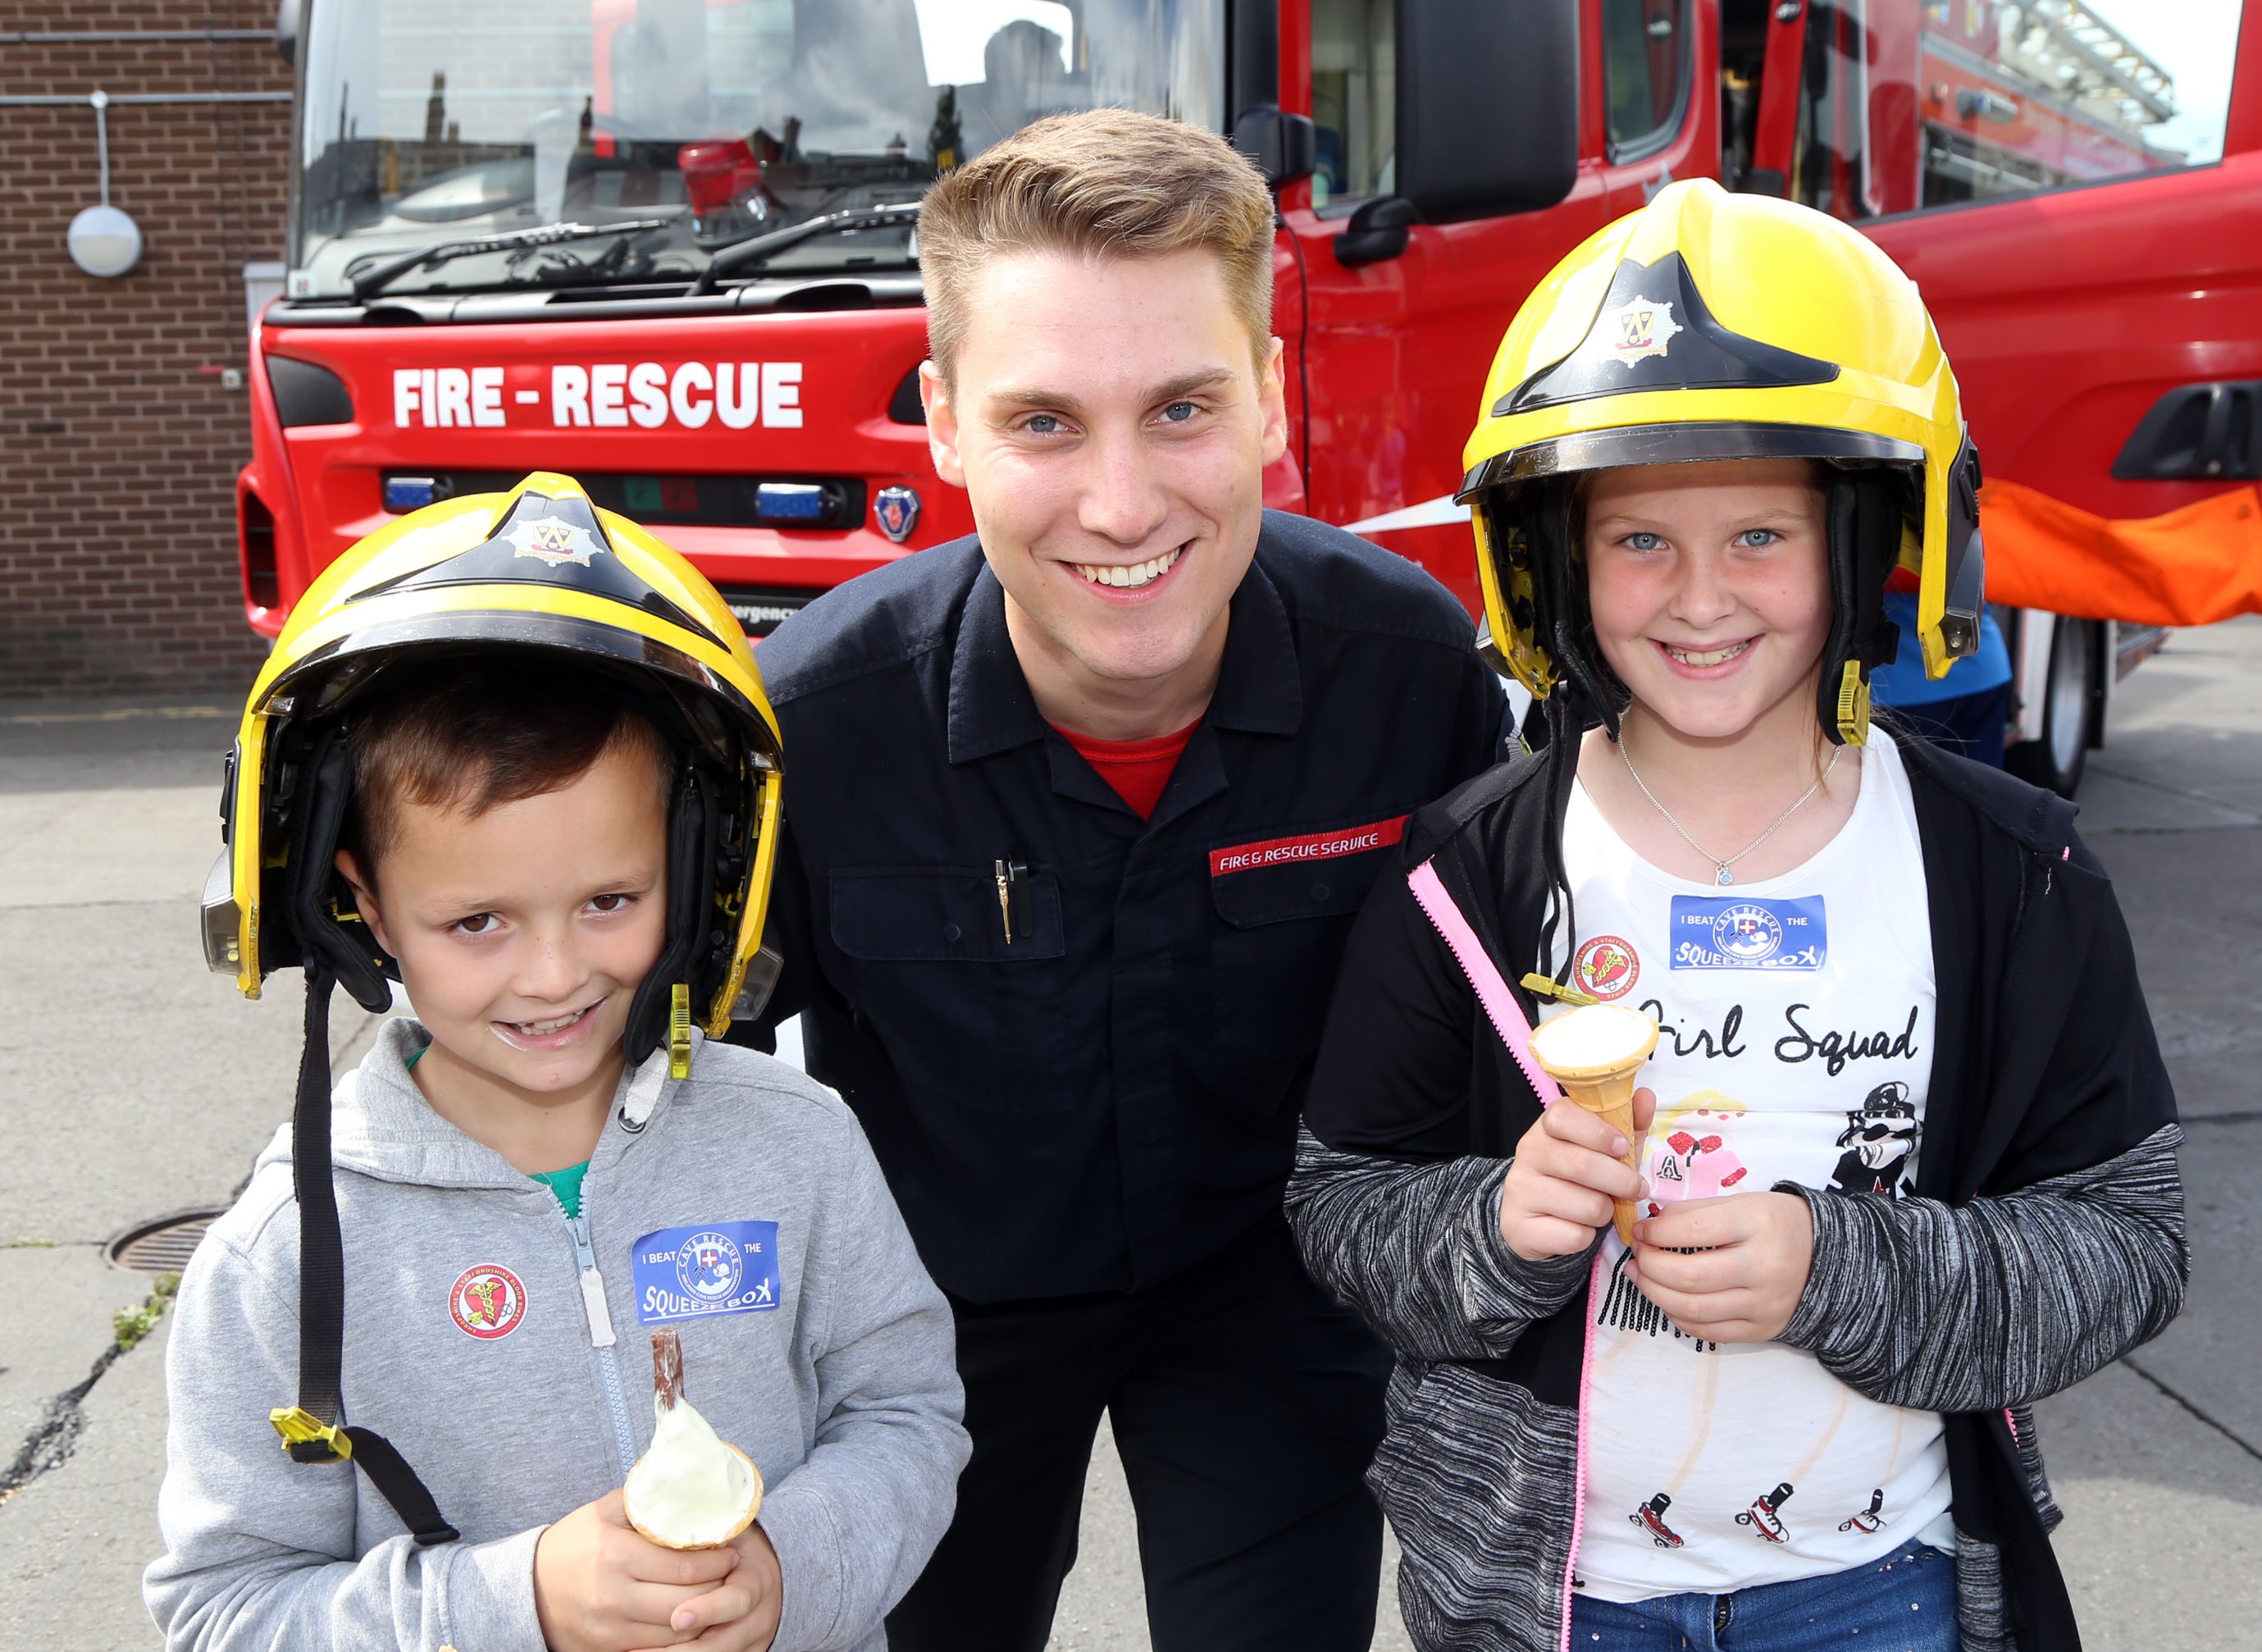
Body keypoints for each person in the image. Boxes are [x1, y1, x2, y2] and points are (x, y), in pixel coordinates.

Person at [1286, 180, 2187, 1652]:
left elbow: (2128, 1241)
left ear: (1867, 537)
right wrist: (1495, 1227)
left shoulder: (2005, 872)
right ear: (1555, 558)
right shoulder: (1469, 870)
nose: (1698, 597)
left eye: (1760, 535)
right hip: (1547, 1601)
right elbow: (1340, 1206)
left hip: (1875, 1587)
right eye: (1639, 539)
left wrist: (1838, 1270)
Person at [739, 111, 1505, 1649]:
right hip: (927, 1321)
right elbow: (679, 1095)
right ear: (943, 423)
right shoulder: (808, 730)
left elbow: (1497, 1050)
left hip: (1272, 1301)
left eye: (1178, 409)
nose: (1119, 502)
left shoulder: (1407, 678)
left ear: (1271, 401)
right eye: (1042, 423)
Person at [148, 474, 967, 1652]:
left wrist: (794, 1566)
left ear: (698, 868)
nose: (551, 974)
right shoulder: (284, 1255)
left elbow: (905, 1412)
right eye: (476, 921)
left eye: (608, 899)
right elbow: (220, 1611)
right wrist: (516, 1600)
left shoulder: (799, 1143)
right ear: (360, 905)